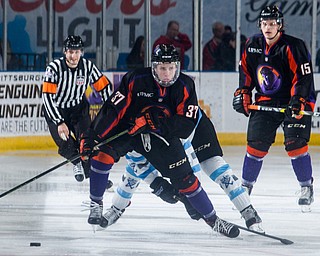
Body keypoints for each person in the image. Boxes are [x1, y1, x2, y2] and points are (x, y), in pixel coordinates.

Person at [80, 44, 240, 238]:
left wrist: (155, 124)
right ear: (154, 67)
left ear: (177, 67)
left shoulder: (185, 85)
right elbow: (113, 110)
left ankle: (213, 220)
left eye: (171, 68)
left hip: (161, 137)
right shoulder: (135, 79)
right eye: (162, 68)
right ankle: (96, 204)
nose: (167, 74)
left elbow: (186, 125)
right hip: (130, 130)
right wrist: (91, 137)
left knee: (186, 180)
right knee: (102, 154)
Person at [100, 108, 264, 232]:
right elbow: (136, 163)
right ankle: (117, 207)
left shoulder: (165, 123)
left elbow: (188, 161)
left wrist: (191, 198)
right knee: (132, 171)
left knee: (214, 164)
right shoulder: (128, 130)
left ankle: (248, 210)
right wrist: (157, 184)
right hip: (158, 132)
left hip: (193, 127)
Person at [232, 6, 316, 212]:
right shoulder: (252, 44)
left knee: (295, 144)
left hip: (295, 100)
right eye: (264, 23)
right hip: (265, 100)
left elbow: (303, 76)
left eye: (272, 23)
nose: (268, 27)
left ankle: (307, 187)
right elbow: (246, 72)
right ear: (259, 25)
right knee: (255, 145)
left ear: (280, 25)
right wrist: (243, 91)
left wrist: (298, 100)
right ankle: (245, 188)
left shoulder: (293, 46)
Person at [42, 35, 113, 182]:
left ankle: (94, 176)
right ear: (65, 52)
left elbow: (105, 87)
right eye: (70, 52)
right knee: (65, 143)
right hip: (56, 110)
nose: (73, 56)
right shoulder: (54, 68)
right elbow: (47, 97)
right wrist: (59, 122)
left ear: (81, 52)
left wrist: (110, 111)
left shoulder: (88, 67)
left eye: (76, 52)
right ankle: (76, 162)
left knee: (86, 143)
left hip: (78, 111)